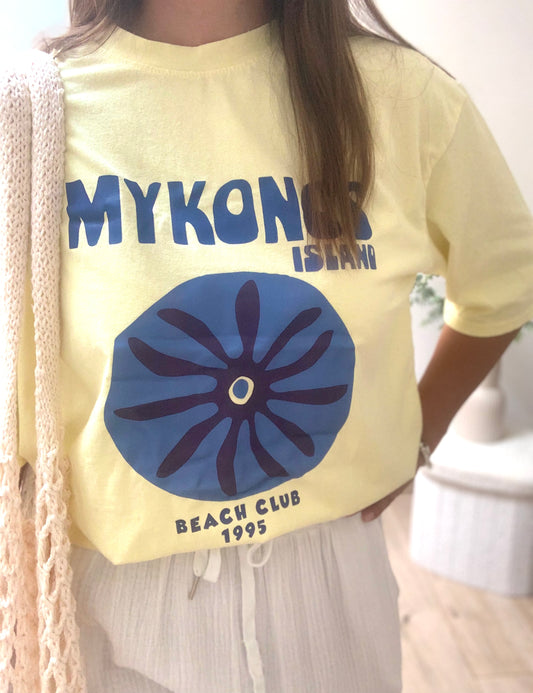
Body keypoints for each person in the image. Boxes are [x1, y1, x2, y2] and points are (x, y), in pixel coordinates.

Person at [1, 1, 532, 691]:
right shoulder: (33, 113)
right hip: (105, 605)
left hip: (332, 586)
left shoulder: (402, 98)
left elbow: (504, 278)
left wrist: (421, 434)